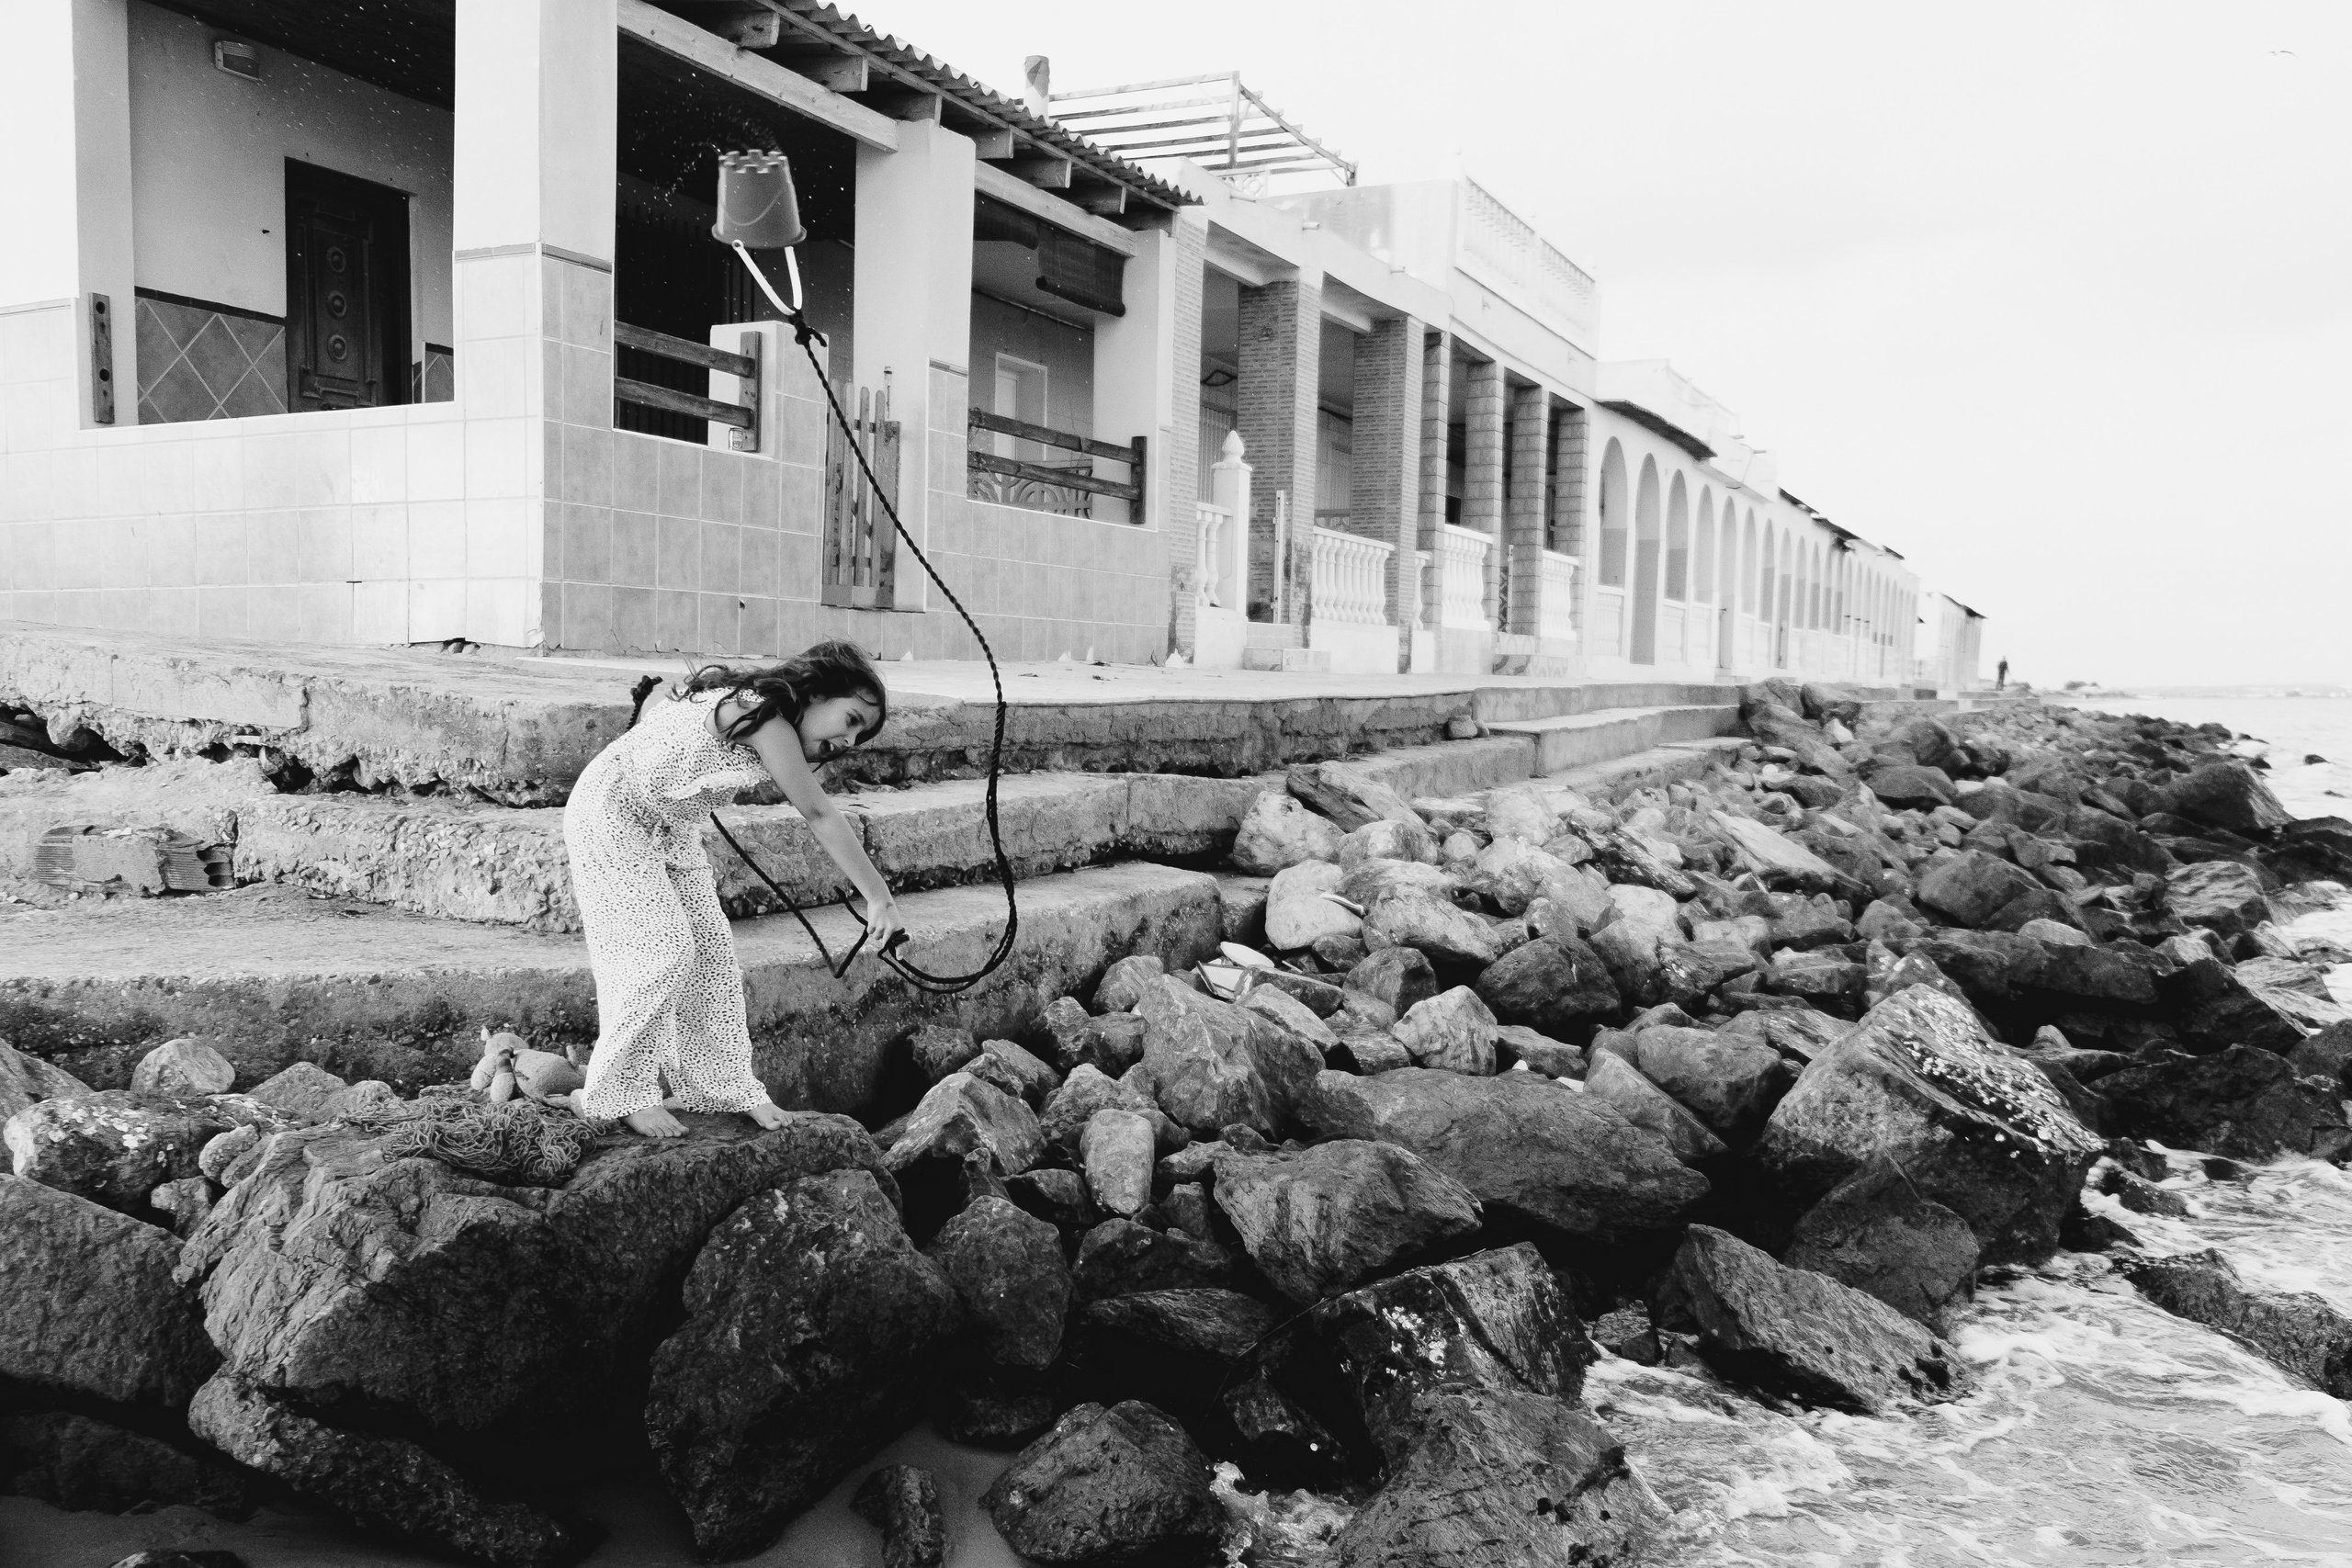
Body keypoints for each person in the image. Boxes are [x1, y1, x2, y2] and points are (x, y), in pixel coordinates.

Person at [557, 641, 900, 1137]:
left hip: (670, 829)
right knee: (658, 953)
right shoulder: (762, 715)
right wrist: (879, 898)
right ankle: (617, 1093)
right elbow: (820, 813)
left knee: (711, 957)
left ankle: (720, 1085)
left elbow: (661, 714)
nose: (849, 740)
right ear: (816, 691)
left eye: (859, 735)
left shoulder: (743, 705)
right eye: (849, 719)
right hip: (612, 814)